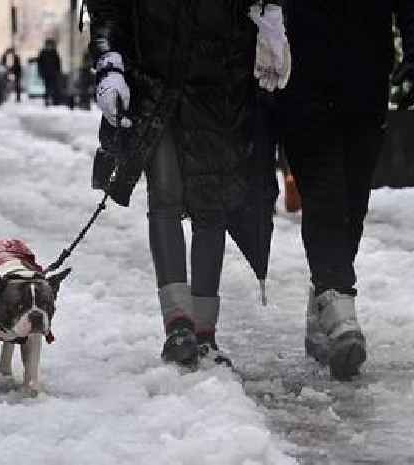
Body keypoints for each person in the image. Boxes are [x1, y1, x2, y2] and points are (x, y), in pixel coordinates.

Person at [87, 1, 290, 368]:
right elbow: (107, 11)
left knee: (210, 205)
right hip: (153, 87)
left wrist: (268, 25)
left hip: (219, 93)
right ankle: (178, 324)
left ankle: (205, 333)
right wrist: (109, 65)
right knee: (165, 194)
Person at [279, 1, 414, 379]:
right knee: (326, 195)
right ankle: (337, 301)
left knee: (353, 203)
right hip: (301, 80)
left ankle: (324, 302)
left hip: (364, 81)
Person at [37, 38, 62, 106]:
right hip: (46, 73)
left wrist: (58, 72)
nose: (49, 46)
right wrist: (40, 72)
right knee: (47, 87)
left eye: (50, 45)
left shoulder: (54, 53)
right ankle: (47, 100)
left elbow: (58, 63)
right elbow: (39, 64)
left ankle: (54, 101)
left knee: (54, 87)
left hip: (53, 73)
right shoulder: (43, 53)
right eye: (48, 44)